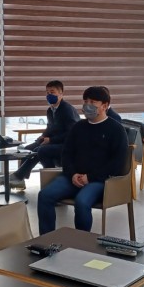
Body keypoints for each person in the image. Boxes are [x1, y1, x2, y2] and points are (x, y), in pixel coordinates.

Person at [37, 86, 129, 235]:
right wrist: (73, 174)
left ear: (104, 106)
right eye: (85, 101)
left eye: (93, 102)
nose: (87, 105)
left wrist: (90, 177)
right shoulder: (78, 127)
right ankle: (46, 240)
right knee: (45, 196)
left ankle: (81, 242)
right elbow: (66, 154)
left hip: (100, 181)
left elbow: (117, 163)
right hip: (73, 177)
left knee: (82, 202)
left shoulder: (116, 129)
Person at [0, 80, 79, 189]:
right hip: (55, 142)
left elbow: (72, 133)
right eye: (47, 92)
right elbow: (50, 127)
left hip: (68, 145)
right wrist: (43, 136)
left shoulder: (67, 110)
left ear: (61, 93)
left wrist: (51, 140)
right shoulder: (50, 110)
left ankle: (18, 176)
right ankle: (20, 181)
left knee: (41, 150)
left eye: (52, 92)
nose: (49, 95)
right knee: (27, 149)